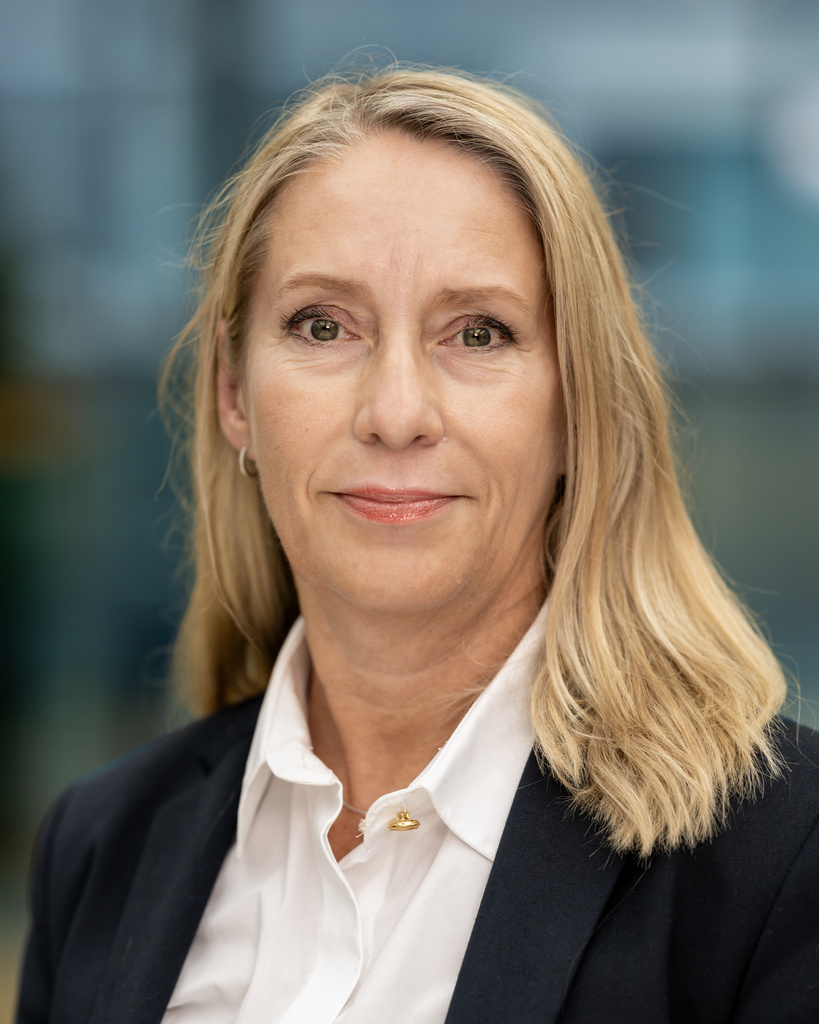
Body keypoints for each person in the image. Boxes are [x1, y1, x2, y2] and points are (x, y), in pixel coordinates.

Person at [16, 67, 819, 1024]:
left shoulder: (783, 861)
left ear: (578, 407)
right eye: (323, 326)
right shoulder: (99, 848)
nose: (395, 413)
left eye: (477, 334)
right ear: (234, 395)